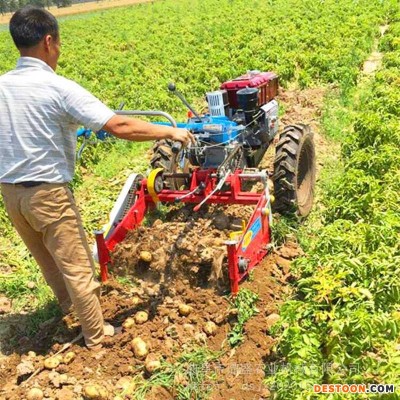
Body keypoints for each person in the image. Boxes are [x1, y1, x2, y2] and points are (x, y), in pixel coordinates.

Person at [0, 6, 194, 350]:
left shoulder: (2, 86)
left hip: (11, 195)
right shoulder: (57, 87)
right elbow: (118, 125)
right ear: (48, 42)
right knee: (77, 265)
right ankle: (95, 335)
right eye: (58, 43)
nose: (58, 50)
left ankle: (69, 312)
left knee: (48, 259)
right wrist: (169, 132)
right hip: (47, 193)